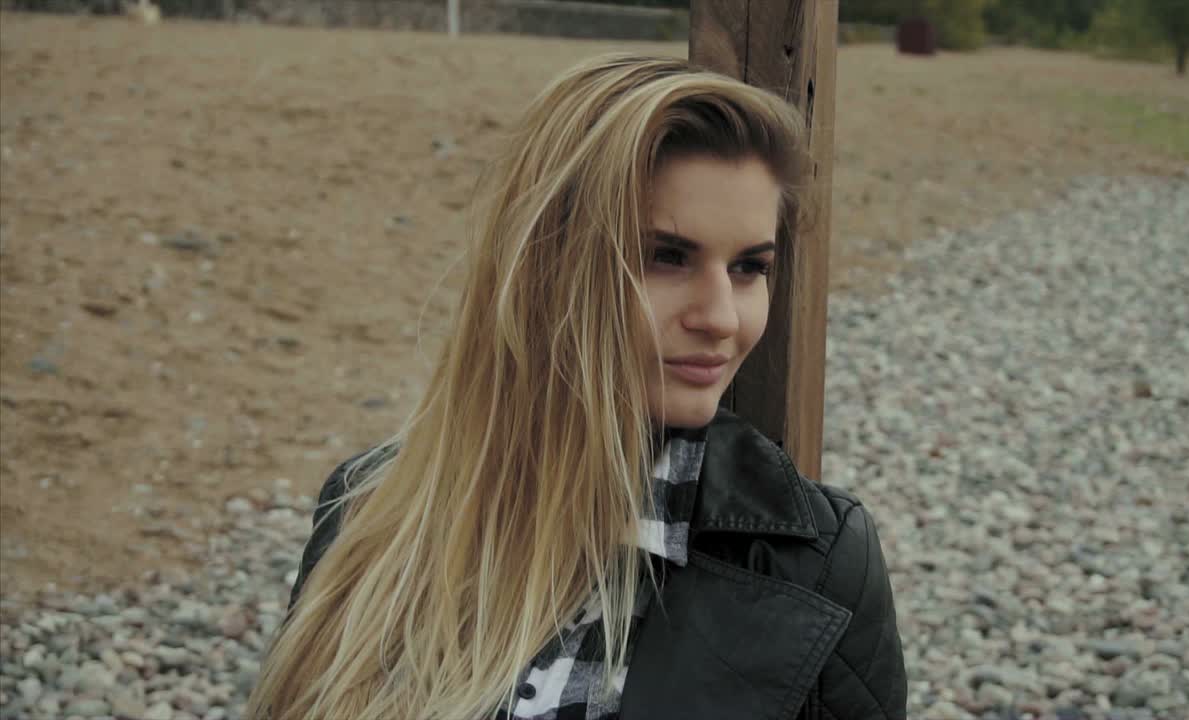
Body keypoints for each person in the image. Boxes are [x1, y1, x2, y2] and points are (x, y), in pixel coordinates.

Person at [246, 53, 906, 720]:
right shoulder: (368, 507)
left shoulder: (819, 561)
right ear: (546, 264)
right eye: (666, 257)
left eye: (748, 267)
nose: (721, 318)